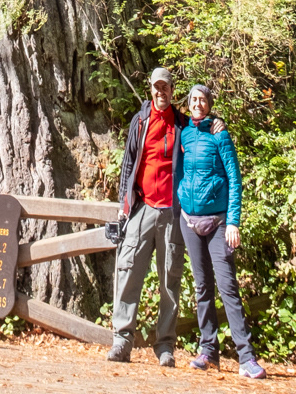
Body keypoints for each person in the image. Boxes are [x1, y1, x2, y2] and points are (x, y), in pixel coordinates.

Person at [177, 83, 264, 379]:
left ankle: (246, 358)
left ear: (210, 104)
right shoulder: (185, 133)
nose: (198, 104)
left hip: (217, 223)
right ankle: (208, 351)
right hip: (189, 220)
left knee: (228, 288)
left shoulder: (219, 134)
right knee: (202, 288)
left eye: (203, 100)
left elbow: (235, 179)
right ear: (188, 104)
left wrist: (233, 221)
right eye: (194, 100)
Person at [107, 66, 186, 367]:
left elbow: (202, 138)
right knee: (128, 272)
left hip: (172, 213)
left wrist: (215, 125)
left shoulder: (182, 124)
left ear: (171, 90)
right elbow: (128, 164)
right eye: (156, 87)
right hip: (142, 208)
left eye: (165, 87)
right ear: (150, 89)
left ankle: (165, 346)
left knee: (170, 278)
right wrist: (124, 205)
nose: (160, 91)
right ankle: (122, 341)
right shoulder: (140, 121)